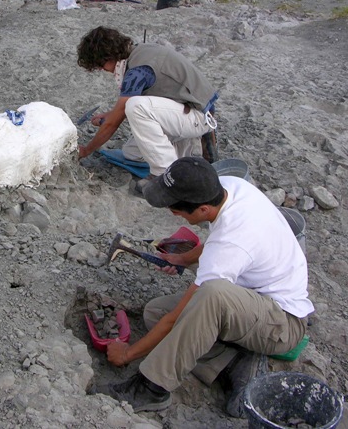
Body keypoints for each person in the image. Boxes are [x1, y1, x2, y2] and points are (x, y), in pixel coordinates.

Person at [95, 157, 313, 417]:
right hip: (250, 304)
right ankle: (232, 362)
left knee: (209, 296)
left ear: (202, 210)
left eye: (176, 209)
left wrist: (128, 354)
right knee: (155, 312)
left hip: (282, 324)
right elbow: (219, 238)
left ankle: (152, 388)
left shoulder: (231, 244)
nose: (172, 212)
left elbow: (179, 315)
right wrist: (182, 259)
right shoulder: (227, 188)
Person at [76, 27, 219, 189]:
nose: (103, 70)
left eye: (100, 65)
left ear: (108, 56)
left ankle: (164, 175)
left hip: (199, 115)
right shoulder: (140, 51)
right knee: (132, 153)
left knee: (136, 107)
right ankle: (185, 149)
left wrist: (87, 150)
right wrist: (110, 114)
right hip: (184, 108)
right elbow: (119, 113)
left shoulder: (137, 72)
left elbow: (114, 122)